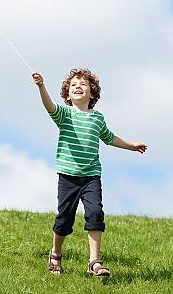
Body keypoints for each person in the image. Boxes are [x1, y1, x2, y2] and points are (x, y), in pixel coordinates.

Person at [32, 68, 147, 276]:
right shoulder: (65, 114)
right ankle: (55, 254)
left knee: (95, 214)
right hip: (68, 176)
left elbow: (110, 138)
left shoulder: (97, 119)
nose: (78, 87)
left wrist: (132, 146)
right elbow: (49, 107)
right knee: (65, 218)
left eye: (83, 84)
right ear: (67, 94)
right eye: (73, 85)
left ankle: (94, 261)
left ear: (92, 93)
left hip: (91, 177)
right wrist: (41, 86)